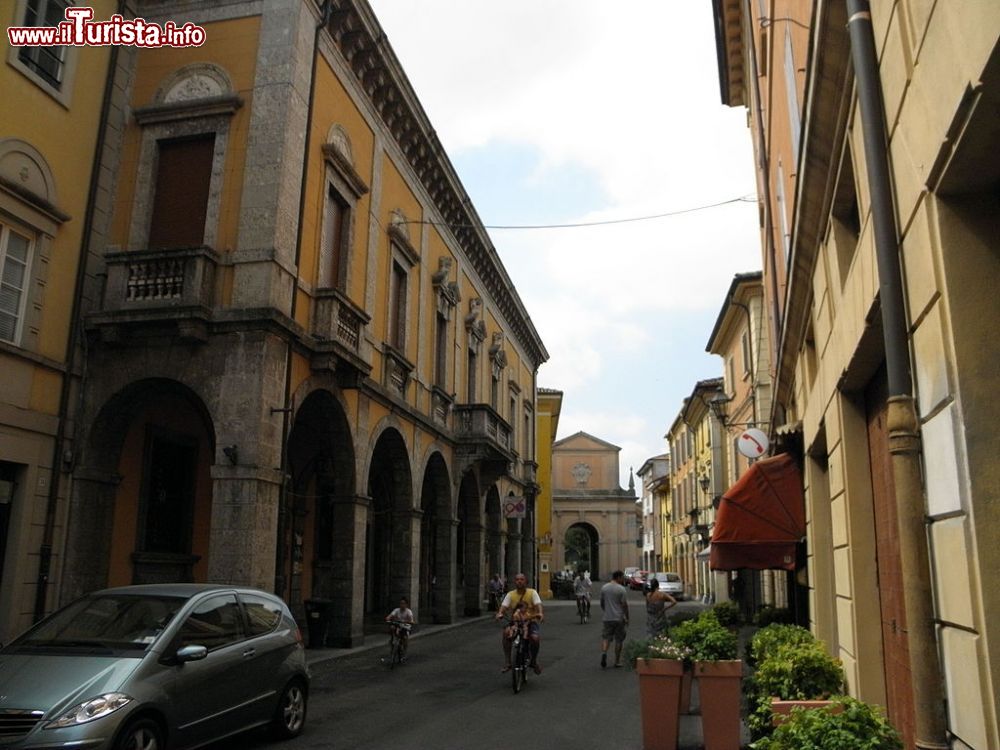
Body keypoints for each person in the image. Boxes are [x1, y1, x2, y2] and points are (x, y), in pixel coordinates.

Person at [495, 572, 544, 674]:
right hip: (515, 622)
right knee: (506, 633)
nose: (519, 581)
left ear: (526, 581)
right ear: (514, 582)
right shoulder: (510, 594)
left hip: (530, 622)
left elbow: (538, 604)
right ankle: (508, 662)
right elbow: (503, 607)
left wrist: (540, 613)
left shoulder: (532, 593)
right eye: (517, 580)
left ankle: (533, 661)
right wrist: (500, 613)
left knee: (535, 638)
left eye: (522, 579)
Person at [600, 570, 629, 668]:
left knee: (606, 637)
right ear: (618, 577)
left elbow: (602, 603)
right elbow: (624, 605)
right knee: (619, 640)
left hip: (607, 617)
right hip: (618, 618)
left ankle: (604, 653)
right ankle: (617, 661)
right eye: (622, 577)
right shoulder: (621, 589)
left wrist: (606, 610)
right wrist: (627, 617)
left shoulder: (604, 588)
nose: (623, 579)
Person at [385, 597, 415, 661]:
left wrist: (407, 622)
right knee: (392, 627)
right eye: (401, 603)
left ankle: (404, 652)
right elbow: (390, 616)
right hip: (397, 625)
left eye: (404, 603)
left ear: (406, 605)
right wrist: (388, 618)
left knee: (405, 638)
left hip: (405, 626)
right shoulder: (396, 610)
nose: (402, 605)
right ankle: (392, 640)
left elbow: (411, 620)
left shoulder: (408, 611)